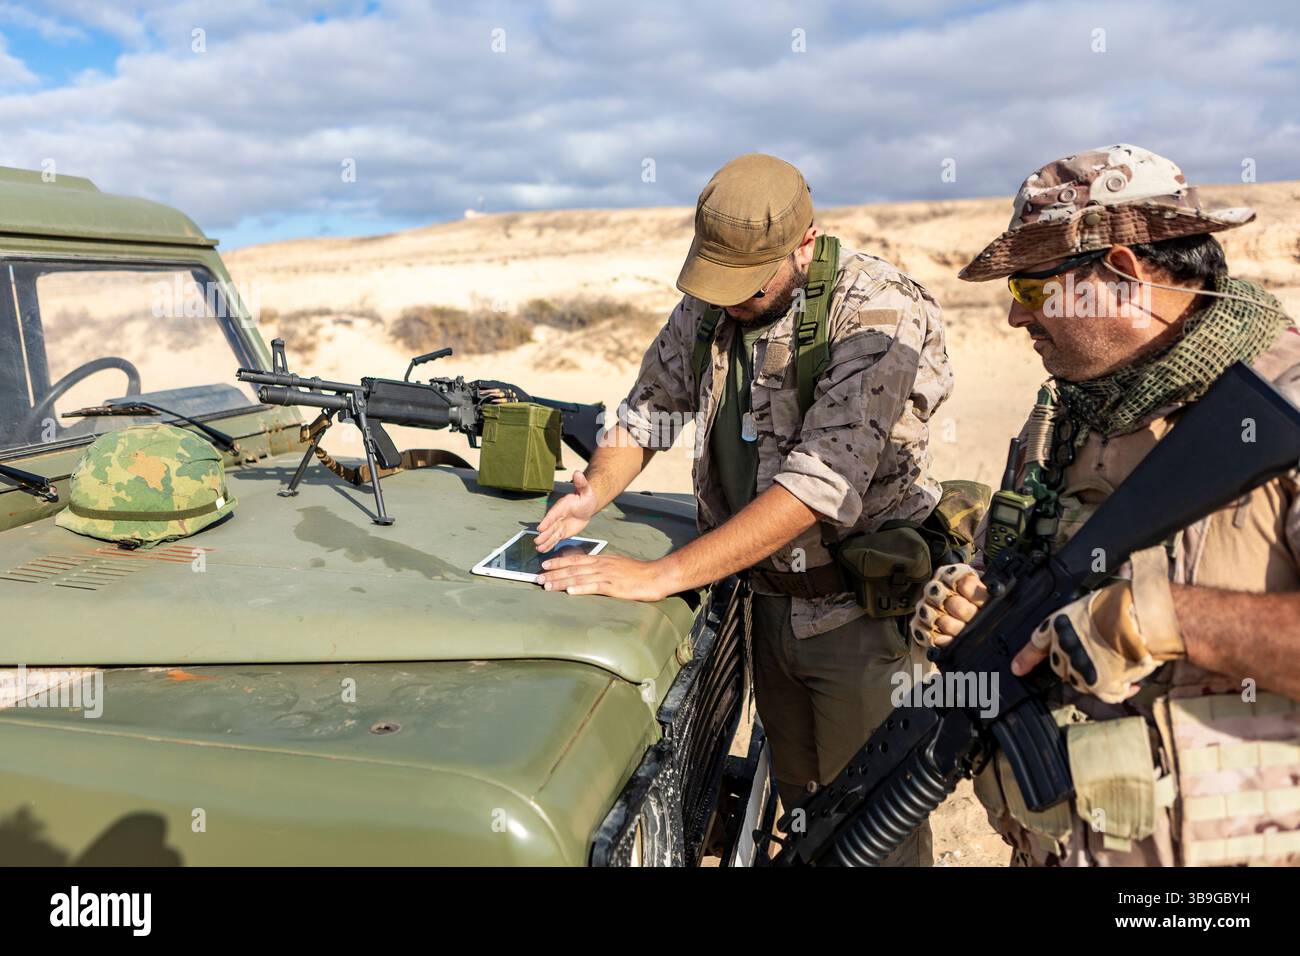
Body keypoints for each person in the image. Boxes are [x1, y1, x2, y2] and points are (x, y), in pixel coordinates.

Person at [534, 153, 952, 864]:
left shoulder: (879, 310)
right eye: (715, 282)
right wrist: (592, 491)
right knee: (805, 814)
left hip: (856, 618)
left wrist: (661, 576)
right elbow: (649, 413)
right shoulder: (711, 304)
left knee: (873, 834)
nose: (728, 302)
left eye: (746, 287)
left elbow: (818, 486)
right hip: (765, 605)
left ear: (805, 246)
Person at [912, 144, 1300, 866]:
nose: (1013, 319)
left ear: (1120, 275)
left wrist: (1172, 618)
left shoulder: (1284, 408)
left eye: (1031, 291)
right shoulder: (1064, 421)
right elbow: (1018, 570)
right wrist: (976, 601)